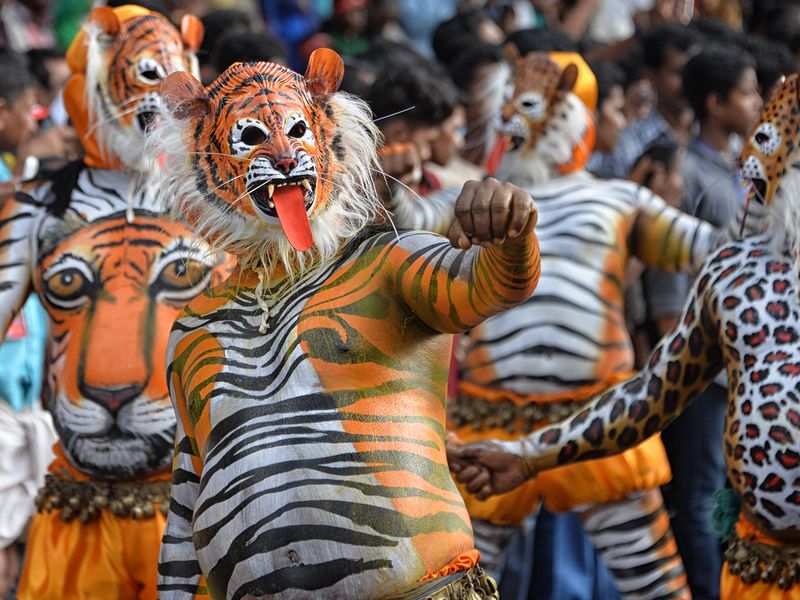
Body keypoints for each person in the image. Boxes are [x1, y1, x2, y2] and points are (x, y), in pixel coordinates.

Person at [151, 49, 540, 599]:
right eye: (250, 139)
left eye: (295, 132)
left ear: (328, 137)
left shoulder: (387, 262)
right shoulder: (194, 328)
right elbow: (189, 494)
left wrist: (512, 230)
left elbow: (494, 286)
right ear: (204, 161)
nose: (284, 158)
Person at [449, 72, 800, 600]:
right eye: (763, 139)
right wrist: (527, 455)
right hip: (761, 573)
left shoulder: (645, 216)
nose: (754, 157)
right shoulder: (738, 273)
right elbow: (650, 397)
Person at [0, 7, 229, 598]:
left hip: (197, 509)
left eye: (176, 75)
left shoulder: (214, 207)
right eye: (146, 74)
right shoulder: (37, 205)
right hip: (78, 514)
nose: (164, 95)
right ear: (95, 83)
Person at [0, 49, 56, 600]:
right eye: (29, 112)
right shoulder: (14, 180)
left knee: (28, 533)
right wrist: (31, 177)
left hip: (24, 394)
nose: (35, 124)